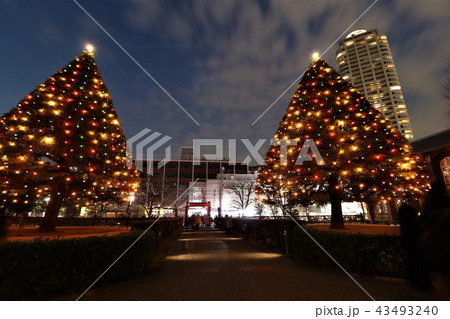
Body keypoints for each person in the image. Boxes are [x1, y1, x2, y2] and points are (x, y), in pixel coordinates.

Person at [419, 181, 450, 299]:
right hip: (441, 248)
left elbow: (422, 224)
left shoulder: (429, 205)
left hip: (436, 252)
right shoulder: (446, 203)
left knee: (443, 284)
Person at [398, 200, 429, 289]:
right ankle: (420, 281)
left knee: (412, 262)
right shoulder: (414, 224)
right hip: (414, 243)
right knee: (418, 263)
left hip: (409, 243)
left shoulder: (405, 224)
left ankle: (415, 280)